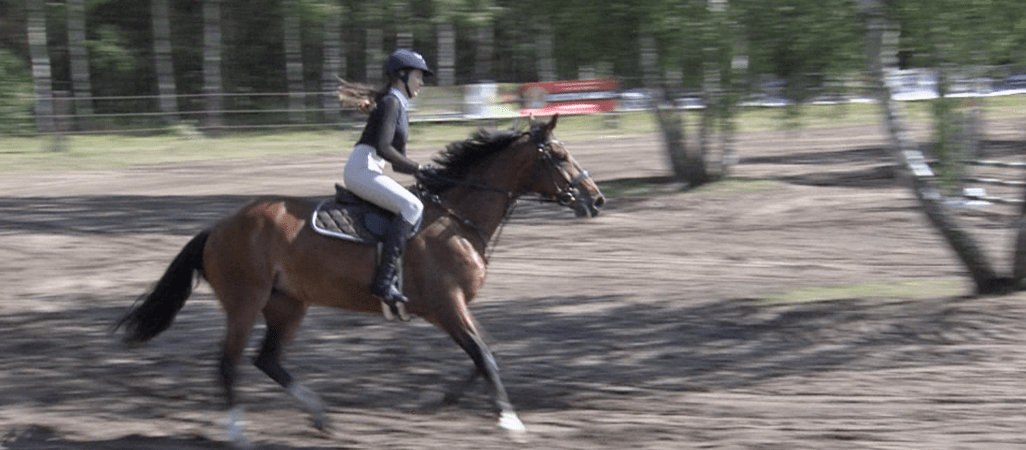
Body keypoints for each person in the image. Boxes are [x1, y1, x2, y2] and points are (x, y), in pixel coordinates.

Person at [341, 49, 439, 319]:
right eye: (418, 76)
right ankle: (384, 282)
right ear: (401, 76)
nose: (421, 83)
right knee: (412, 206)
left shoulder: (397, 105)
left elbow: (397, 163)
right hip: (362, 170)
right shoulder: (392, 103)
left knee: (413, 202)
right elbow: (384, 149)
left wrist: (425, 173)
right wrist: (419, 168)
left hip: (369, 168)